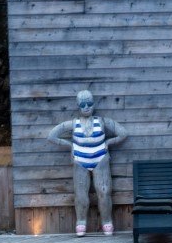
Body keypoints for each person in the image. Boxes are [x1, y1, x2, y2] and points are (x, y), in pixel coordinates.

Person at [47, 90, 129, 235]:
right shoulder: (74, 123)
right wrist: (70, 145)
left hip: (100, 159)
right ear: (78, 106)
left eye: (89, 103)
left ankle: (107, 221)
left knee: (104, 192)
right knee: (81, 194)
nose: (86, 107)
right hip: (80, 160)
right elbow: (52, 135)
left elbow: (123, 133)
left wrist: (109, 142)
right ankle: (81, 222)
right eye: (83, 104)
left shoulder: (102, 121)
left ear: (93, 104)